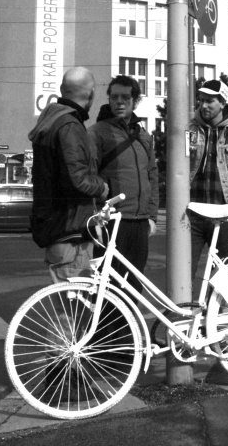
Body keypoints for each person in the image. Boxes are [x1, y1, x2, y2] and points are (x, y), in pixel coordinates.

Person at [28, 67, 109, 283]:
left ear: (62, 90)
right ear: (91, 94)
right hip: (70, 231)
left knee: (68, 306)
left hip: (57, 227)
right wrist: (101, 187)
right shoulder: (69, 126)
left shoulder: (52, 121)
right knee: (72, 310)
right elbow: (77, 179)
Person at [88, 75, 159, 294]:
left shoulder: (143, 136)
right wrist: (94, 217)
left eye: (125, 97)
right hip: (112, 221)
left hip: (139, 222)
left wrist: (152, 217)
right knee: (106, 286)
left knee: (134, 285)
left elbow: (153, 175)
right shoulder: (97, 132)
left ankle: (127, 330)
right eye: (114, 97)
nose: (119, 102)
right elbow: (89, 175)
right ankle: (103, 330)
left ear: (135, 101)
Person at [189, 79, 228, 278]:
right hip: (193, 210)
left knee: (222, 270)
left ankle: (218, 309)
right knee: (185, 267)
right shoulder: (190, 129)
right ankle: (183, 307)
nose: (204, 105)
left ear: (223, 103)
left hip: (223, 211)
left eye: (210, 101)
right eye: (201, 100)